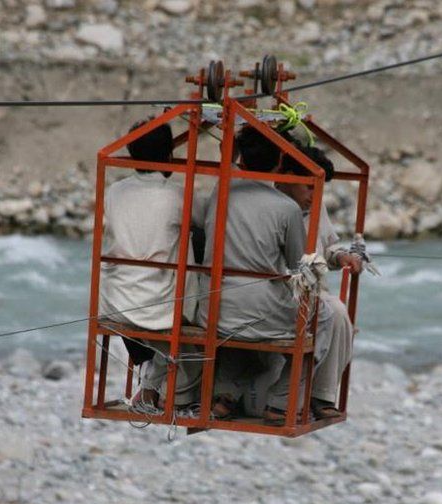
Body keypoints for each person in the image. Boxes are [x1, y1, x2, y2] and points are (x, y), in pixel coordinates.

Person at [196, 124, 320, 424]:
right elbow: (297, 265)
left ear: (243, 160)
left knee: (243, 332)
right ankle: (279, 403)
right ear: (280, 162)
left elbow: (229, 162)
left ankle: (225, 395)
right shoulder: (286, 208)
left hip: (211, 308)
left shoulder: (220, 192)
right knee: (319, 327)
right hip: (262, 312)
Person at [99, 119, 202, 412]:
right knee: (197, 239)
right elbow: (211, 218)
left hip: (115, 300)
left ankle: (151, 381)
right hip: (160, 304)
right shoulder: (177, 194)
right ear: (169, 155)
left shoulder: (115, 191)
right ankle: (162, 387)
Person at [276, 145, 361, 419]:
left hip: (311, 288)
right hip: (281, 288)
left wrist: (341, 257)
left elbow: (327, 248)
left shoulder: (315, 205)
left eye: (319, 190)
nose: (315, 197)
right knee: (333, 312)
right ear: (289, 178)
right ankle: (288, 397)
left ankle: (321, 395)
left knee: (338, 314)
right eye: (309, 189)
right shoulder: (274, 207)